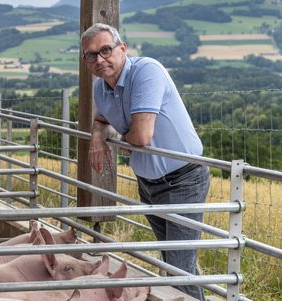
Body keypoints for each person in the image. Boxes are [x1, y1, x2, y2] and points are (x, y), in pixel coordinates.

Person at [81, 23, 209, 301]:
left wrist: (123, 135)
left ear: (122, 48)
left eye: (105, 50)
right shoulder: (100, 88)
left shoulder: (147, 71)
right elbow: (103, 120)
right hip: (149, 183)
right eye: (91, 55)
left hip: (183, 178)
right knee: (175, 263)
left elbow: (141, 136)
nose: (100, 59)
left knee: (177, 268)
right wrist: (97, 137)